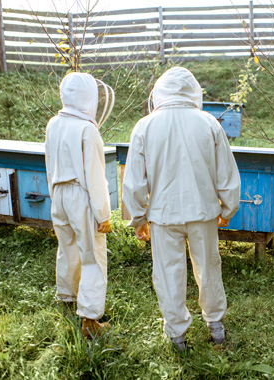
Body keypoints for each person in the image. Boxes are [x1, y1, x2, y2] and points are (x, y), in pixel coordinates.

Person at [122, 67, 241, 352]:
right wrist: (228, 208)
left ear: (160, 92)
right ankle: (216, 328)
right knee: (209, 269)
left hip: (162, 215)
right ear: (193, 90)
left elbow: (134, 182)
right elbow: (226, 172)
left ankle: (177, 337)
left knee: (168, 272)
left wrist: (138, 218)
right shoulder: (209, 122)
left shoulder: (145, 126)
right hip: (203, 212)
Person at [45, 72, 112, 339]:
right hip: (81, 195)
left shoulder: (53, 124)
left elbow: (49, 162)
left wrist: (54, 195)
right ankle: (89, 319)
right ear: (89, 97)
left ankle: (67, 298)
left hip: (58, 193)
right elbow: (95, 177)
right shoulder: (87, 129)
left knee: (67, 249)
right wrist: (103, 213)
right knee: (92, 256)